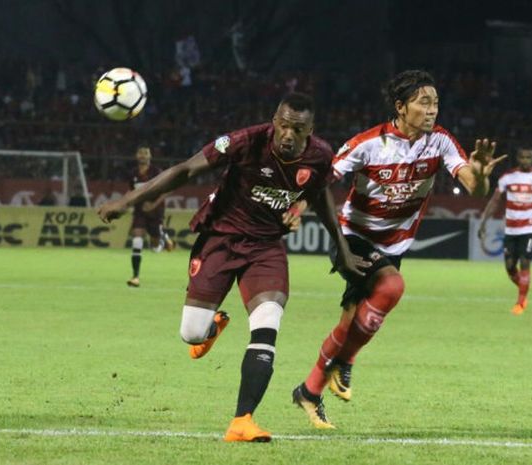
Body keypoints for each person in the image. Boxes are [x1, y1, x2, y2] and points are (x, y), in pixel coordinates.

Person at [97, 92, 365, 442]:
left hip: (266, 247)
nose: (287, 134)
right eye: (282, 125)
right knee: (191, 334)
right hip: (220, 239)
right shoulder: (246, 141)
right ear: (274, 121)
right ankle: (212, 327)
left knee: (268, 321)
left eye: (296, 129)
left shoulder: (320, 156)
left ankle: (243, 420)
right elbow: (185, 170)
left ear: (309, 131)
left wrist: (341, 248)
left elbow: (319, 196)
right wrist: (129, 201)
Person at [291, 69, 506, 429]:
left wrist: (482, 174)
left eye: (436, 102)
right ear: (400, 107)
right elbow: (324, 178)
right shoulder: (369, 143)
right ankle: (344, 361)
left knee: (349, 322)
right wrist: (295, 208)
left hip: (395, 245)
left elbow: (475, 188)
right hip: (353, 239)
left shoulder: (439, 142)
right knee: (391, 287)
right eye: (424, 102)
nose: (432, 110)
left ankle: (309, 392)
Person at [478, 148, 532, 315]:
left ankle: (520, 303)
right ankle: (524, 287)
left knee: (525, 261)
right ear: (518, 158)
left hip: (530, 228)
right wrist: (483, 222)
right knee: (510, 267)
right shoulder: (507, 178)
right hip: (511, 229)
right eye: (523, 157)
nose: (526, 160)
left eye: (529, 157)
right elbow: (494, 201)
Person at [125, 146, 175, 287]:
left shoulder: (156, 172)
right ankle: (135, 277)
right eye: (140, 153)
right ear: (136, 155)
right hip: (139, 211)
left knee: (155, 247)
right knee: (137, 239)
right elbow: (130, 192)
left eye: (146, 153)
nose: (143, 155)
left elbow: (167, 190)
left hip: (155, 212)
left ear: (150, 156)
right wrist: (123, 204)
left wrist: (153, 205)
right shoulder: (132, 173)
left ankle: (162, 237)